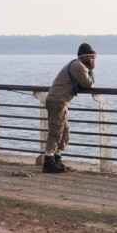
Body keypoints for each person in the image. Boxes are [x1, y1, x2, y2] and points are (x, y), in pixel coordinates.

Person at [42, 42, 96, 173]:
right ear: (84, 57)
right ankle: (48, 162)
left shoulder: (76, 64)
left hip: (60, 101)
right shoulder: (79, 66)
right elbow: (88, 84)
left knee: (65, 132)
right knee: (56, 131)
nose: (93, 60)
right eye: (91, 57)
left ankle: (56, 158)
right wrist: (92, 70)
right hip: (58, 101)